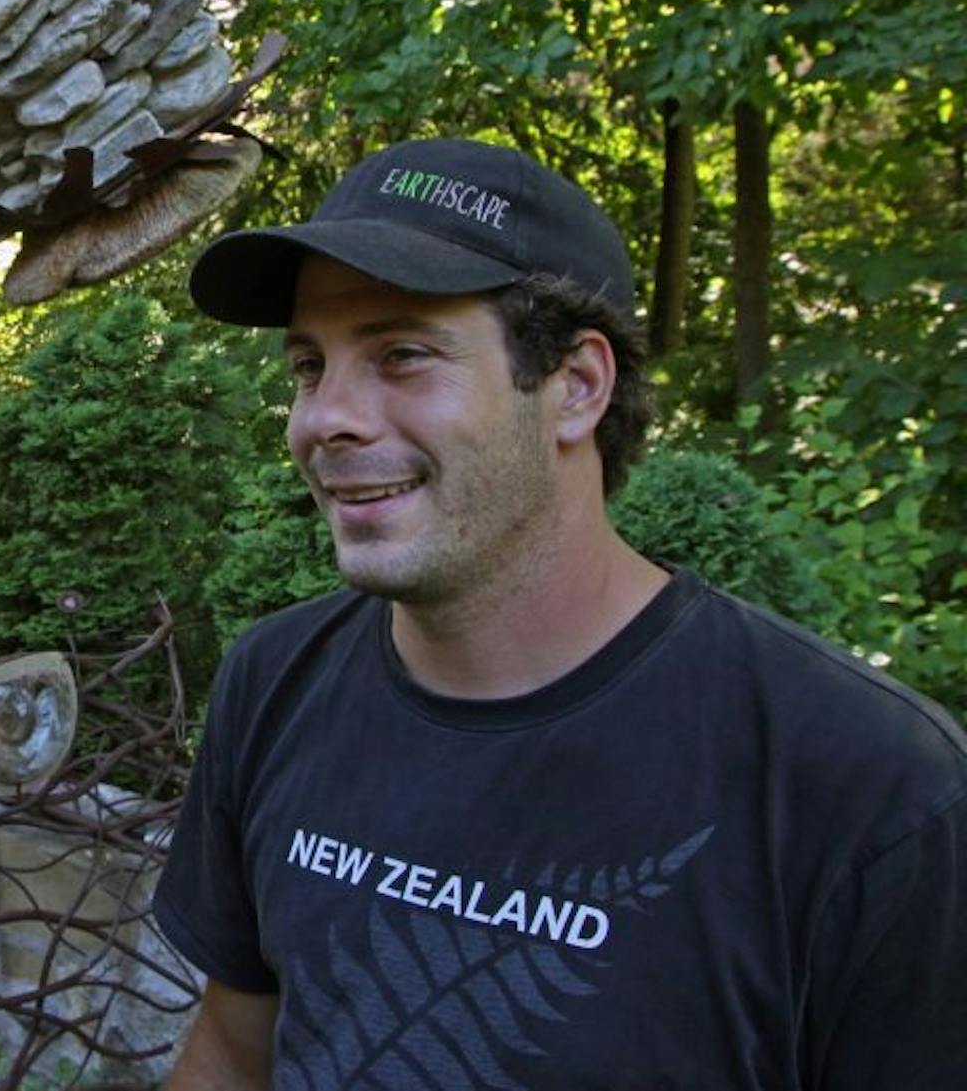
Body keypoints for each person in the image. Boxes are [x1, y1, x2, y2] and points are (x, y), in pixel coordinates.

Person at [153, 138, 967, 1089]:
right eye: (307, 365)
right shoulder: (275, 678)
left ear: (576, 386)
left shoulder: (870, 788)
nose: (324, 417)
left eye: (402, 354)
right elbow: (234, 1052)